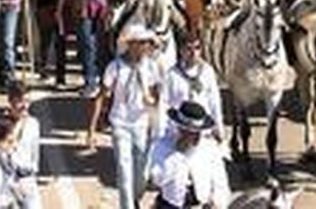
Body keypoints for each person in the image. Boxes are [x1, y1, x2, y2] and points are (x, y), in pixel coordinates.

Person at [99, 24, 165, 208]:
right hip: (120, 122)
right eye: (141, 43)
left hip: (142, 123)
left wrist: (151, 101)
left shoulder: (151, 66)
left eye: (146, 43)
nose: (145, 47)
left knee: (142, 172)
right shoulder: (115, 67)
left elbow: (156, 93)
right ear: (131, 44)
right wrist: (98, 120)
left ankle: (135, 196)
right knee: (123, 168)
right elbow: (104, 94)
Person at [147, 101, 231, 209]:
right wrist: (177, 155)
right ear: (180, 129)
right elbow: (157, 180)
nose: (195, 137)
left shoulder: (209, 149)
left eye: (198, 132)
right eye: (190, 132)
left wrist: (217, 202)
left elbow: (221, 183)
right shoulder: (163, 146)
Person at [6, 82, 42, 209]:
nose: (25, 106)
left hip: (28, 182)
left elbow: (35, 154)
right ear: (10, 101)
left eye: (27, 101)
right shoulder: (1, 125)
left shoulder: (34, 124)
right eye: (20, 101)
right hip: (7, 185)